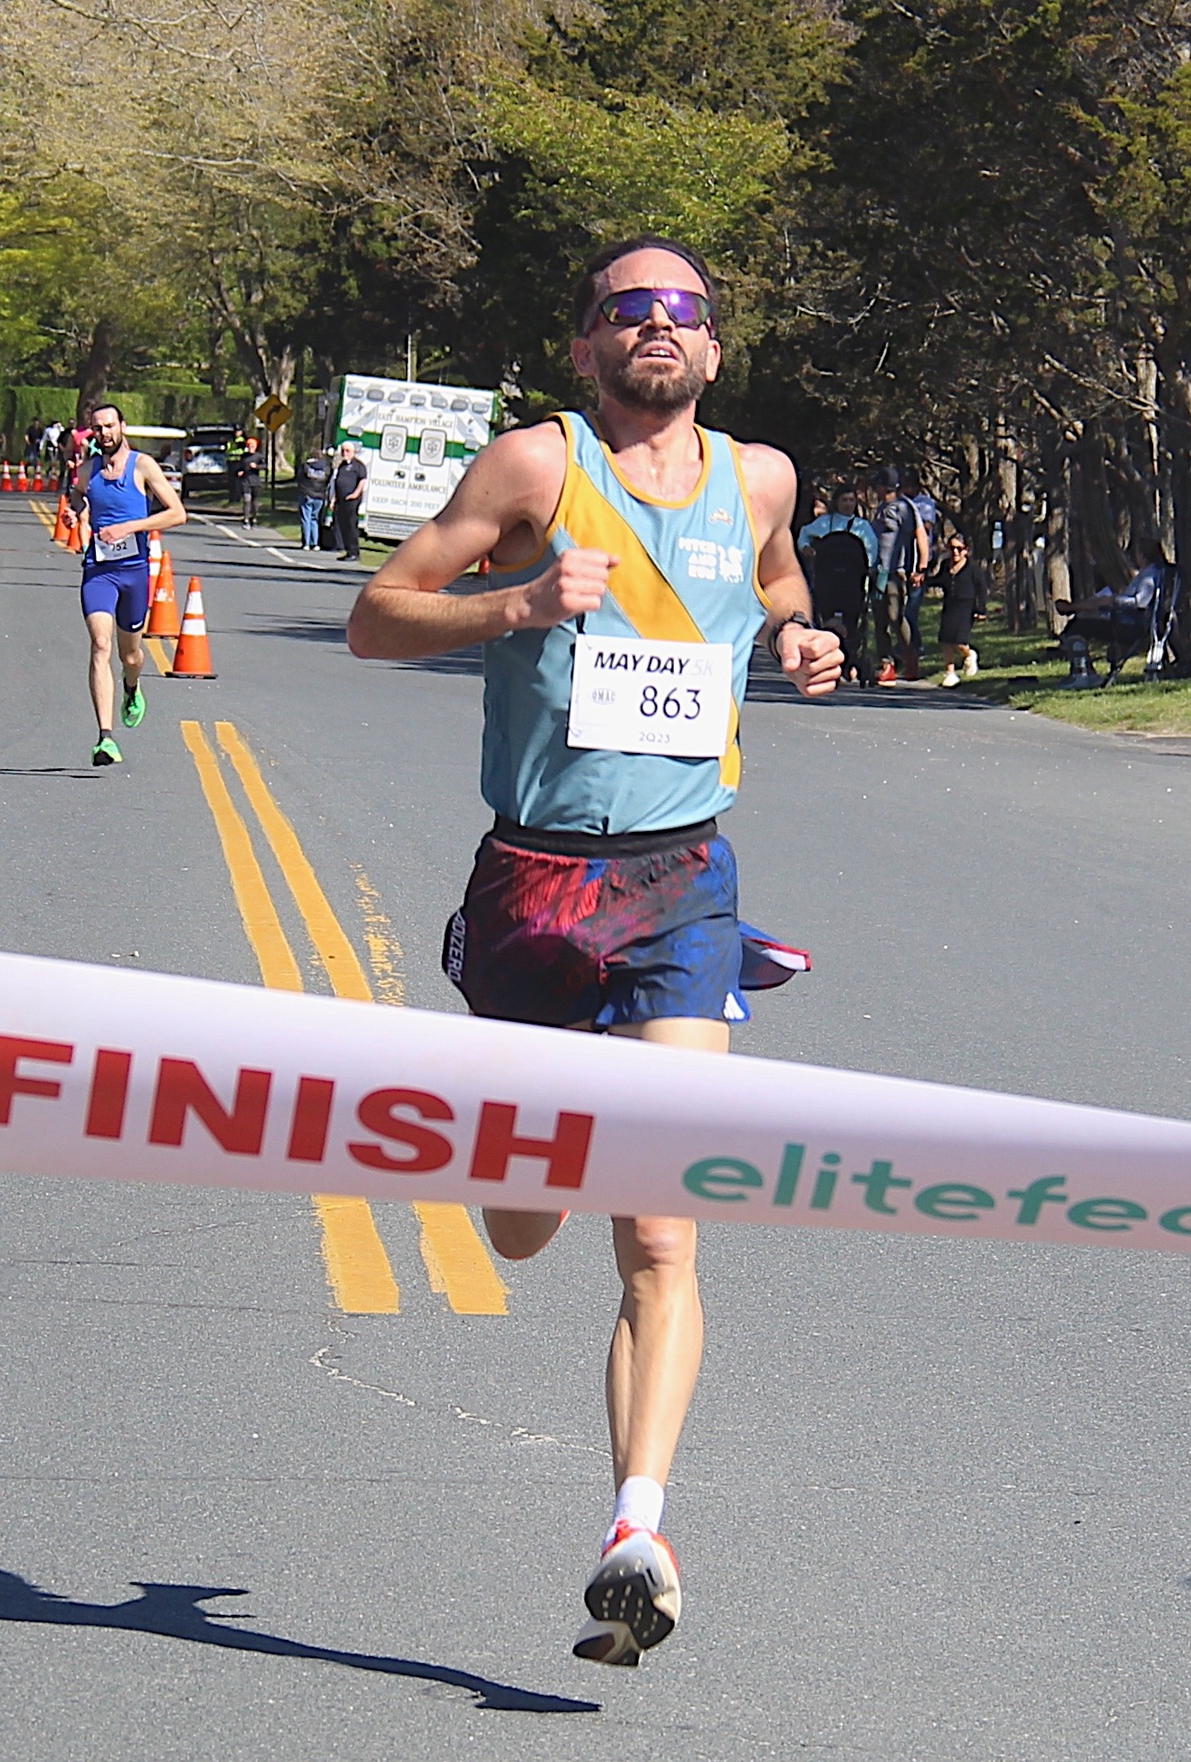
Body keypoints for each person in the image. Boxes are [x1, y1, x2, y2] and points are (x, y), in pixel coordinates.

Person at [347, 235, 841, 1669]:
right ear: (583, 346)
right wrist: (516, 604)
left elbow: (778, 584)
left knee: (665, 1225)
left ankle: (637, 1527)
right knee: (522, 1215)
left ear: (716, 347)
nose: (659, 328)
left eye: (683, 310)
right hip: (533, 882)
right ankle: (523, 1167)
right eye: (629, 310)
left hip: (684, 879)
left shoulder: (760, 477)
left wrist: (801, 641)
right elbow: (375, 616)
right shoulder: (531, 470)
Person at [64, 403, 187, 765]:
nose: (104, 433)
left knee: (129, 654)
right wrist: (74, 512)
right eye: (97, 428)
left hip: (134, 572)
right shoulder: (89, 470)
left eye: (109, 426)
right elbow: (76, 496)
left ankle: (132, 687)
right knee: (100, 644)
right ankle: (105, 737)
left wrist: (130, 527)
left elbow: (177, 513)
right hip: (99, 570)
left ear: (122, 427)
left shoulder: (143, 466)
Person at [797, 484, 878, 684]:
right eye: (844, 500)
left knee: (851, 623)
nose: (848, 504)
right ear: (837, 502)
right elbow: (804, 534)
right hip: (828, 579)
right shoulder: (825, 523)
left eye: (852, 500)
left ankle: (848, 660)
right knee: (827, 621)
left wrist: (870, 569)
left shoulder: (862, 527)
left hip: (852, 581)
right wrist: (806, 548)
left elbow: (872, 552)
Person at [868, 465, 929, 684]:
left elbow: (920, 535)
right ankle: (886, 664)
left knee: (896, 616)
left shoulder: (904, 508)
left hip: (897, 572)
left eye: (877, 484)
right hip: (879, 571)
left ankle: (910, 655)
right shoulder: (881, 508)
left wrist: (920, 566)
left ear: (884, 486)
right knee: (880, 619)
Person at [934, 532, 989, 685]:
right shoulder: (946, 565)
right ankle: (950, 673)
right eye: (952, 548)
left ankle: (969, 654)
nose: (955, 552)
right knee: (946, 640)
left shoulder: (973, 568)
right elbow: (939, 580)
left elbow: (981, 588)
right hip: (950, 605)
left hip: (966, 607)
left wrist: (981, 609)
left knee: (960, 641)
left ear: (966, 550)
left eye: (959, 548)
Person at [900, 471, 940, 680]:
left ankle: (915, 645)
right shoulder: (898, 503)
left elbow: (925, 526)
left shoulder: (924, 503)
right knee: (898, 608)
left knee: (912, 608)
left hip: (918, 559)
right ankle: (905, 645)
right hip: (899, 560)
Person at [331, 440, 367, 561]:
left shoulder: (358, 465)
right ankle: (347, 551)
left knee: (351, 526)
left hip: (352, 501)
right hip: (340, 501)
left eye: (347, 451)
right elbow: (336, 483)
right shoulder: (342, 465)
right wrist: (333, 499)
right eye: (343, 450)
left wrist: (355, 494)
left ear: (353, 452)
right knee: (343, 526)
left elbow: (362, 481)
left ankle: (354, 552)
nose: (344, 453)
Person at [296, 446, 333, 549]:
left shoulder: (306, 466)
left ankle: (306, 543)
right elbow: (328, 481)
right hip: (320, 496)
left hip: (307, 494)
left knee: (306, 519)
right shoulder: (326, 467)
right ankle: (315, 543)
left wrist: (303, 490)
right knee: (314, 519)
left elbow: (299, 479)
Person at [240, 435, 262, 527]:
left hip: (255, 482)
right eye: (249, 445)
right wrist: (240, 471)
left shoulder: (259, 456)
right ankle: (246, 519)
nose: (250, 447)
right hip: (246, 481)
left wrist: (256, 466)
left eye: (252, 446)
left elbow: (265, 466)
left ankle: (254, 517)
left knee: (254, 501)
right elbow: (240, 466)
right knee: (246, 500)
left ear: (256, 446)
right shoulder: (244, 456)